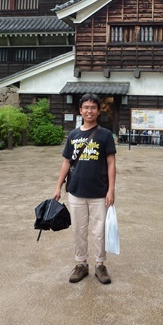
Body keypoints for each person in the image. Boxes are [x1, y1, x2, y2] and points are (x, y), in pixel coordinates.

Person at [53, 93, 116, 285]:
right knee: (79, 230)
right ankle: (81, 264)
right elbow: (66, 162)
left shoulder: (105, 135)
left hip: (99, 192)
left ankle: (100, 265)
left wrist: (111, 190)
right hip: (76, 191)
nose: (89, 110)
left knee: (99, 230)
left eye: (93, 107)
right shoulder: (73, 135)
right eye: (86, 107)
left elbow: (111, 163)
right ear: (80, 111)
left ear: (98, 111)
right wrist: (58, 187)